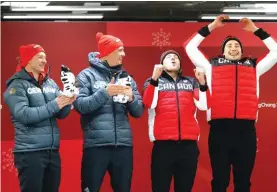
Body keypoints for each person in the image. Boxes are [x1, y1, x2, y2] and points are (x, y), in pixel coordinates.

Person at [184, 15, 277, 192]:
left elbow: (276, 52)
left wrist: (256, 31)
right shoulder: (210, 66)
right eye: (229, 46)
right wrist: (211, 27)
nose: (233, 48)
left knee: (243, 181)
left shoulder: (254, 67)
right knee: (220, 180)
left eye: (237, 46)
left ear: (241, 51)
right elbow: (190, 47)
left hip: (246, 131)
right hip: (220, 130)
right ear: (223, 51)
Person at [73, 32, 144, 192]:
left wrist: (131, 97)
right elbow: (80, 105)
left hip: (123, 146)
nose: (123, 54)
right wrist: (105, 92)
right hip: (96, 145)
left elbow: (138, 111)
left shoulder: (127, 78)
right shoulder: (86, 76)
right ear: (107, 52)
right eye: (119, 50)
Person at [3, 44, 75, 192]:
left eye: (45, 57)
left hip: (52, 152)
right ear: (28, 60)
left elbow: (61, 114)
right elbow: (23, 114)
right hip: (30, 153)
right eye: (40, 57)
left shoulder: (50, 83)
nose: (44, 60)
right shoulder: (16, 86)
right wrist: (56, 104)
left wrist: (67, 101)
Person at [143, 50, 210, 192]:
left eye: (176, 58)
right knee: (160, 188)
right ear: (161, 63)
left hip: (188, 146)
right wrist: (154, 79)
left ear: (180, 64)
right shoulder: (152, 81)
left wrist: (202, 83)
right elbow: (149, 103)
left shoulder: (191, 82)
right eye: (168, 57)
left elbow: (204, 105)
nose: (173, 59)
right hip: (163, 146)